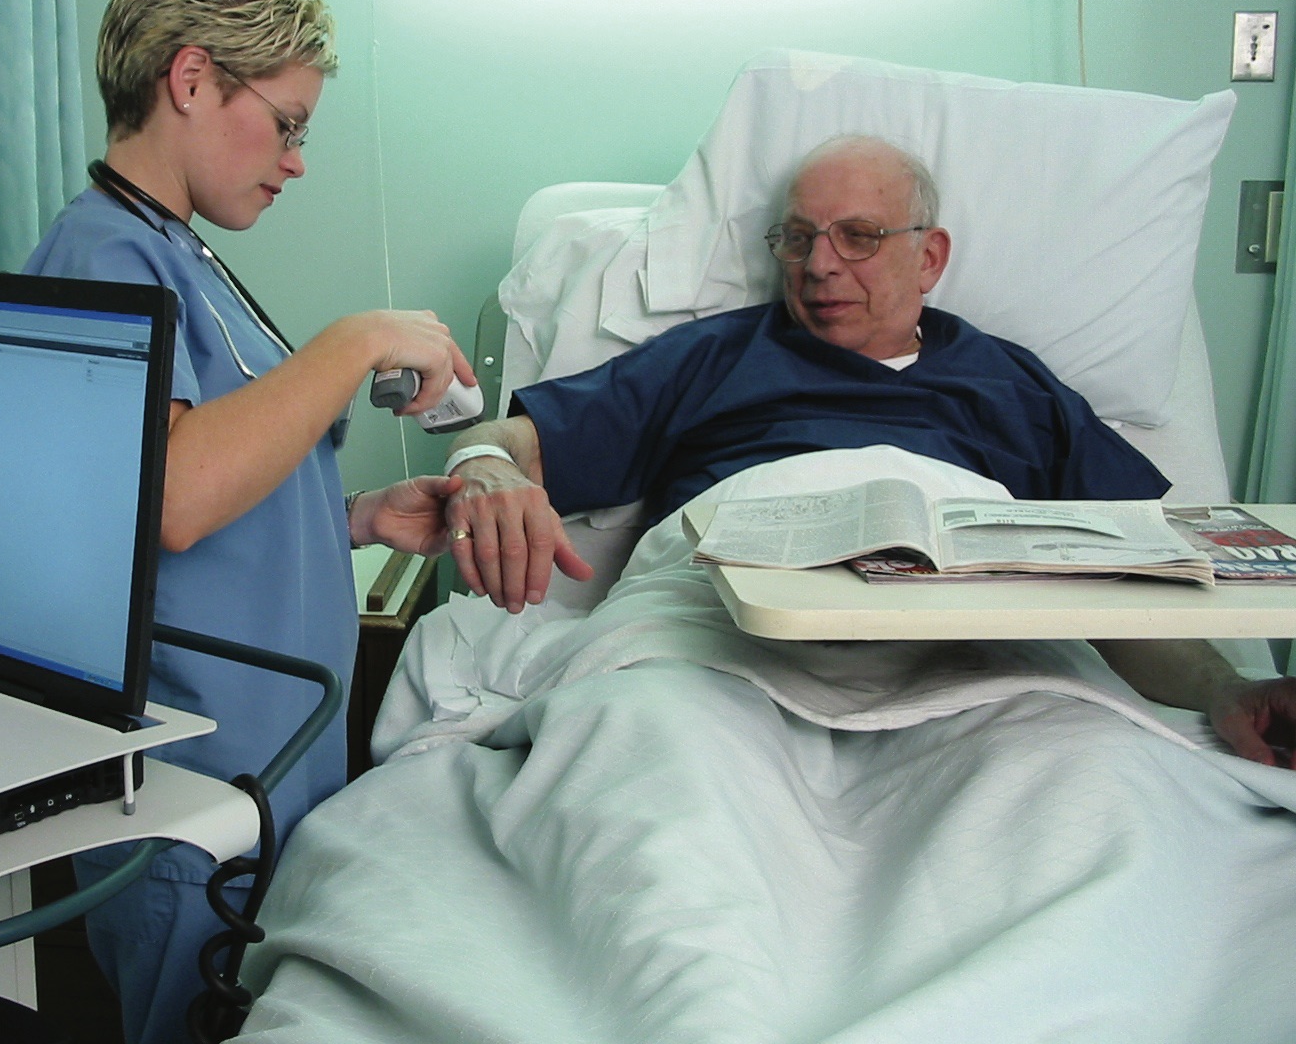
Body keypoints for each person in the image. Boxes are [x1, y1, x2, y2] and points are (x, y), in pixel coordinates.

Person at [440, 134, 1296, 767]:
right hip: (715, 642)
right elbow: (511, 441)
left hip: (982, 658)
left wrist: (1226, 690)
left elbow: (1131, 582)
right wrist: (481, 466)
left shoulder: (1013, 386)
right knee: (650, 764)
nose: (819, 265)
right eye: (798, 237)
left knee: (1078, 778)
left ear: (930, 257)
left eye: (858, 235)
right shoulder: (713, 356)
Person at [22, 0, 476, 1043]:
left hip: (268, 769)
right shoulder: (102, 256)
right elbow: (172, 494)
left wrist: (354, 518)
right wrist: (355, 339)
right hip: (192, 793)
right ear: (191, 79)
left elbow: (223, 470)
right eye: (287, 123)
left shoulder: (176, 253)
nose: (296, 161)